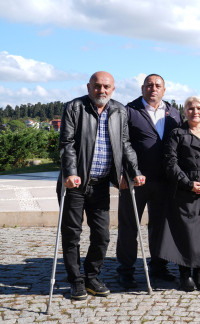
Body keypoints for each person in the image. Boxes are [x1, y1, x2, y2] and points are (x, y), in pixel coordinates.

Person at [58, 71, 145, 300]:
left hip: (100, 185)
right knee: (72, 234)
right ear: (89, 87)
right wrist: (70, 172)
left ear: (113, 89)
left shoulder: (119, 110)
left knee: (101, 235)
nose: (102, 91)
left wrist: (134, 172)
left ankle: (91, 277)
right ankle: (76, 281)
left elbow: (125, 144)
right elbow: (66, 144)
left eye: (106, 87)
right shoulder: (74, 108)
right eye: (97, 86)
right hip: (75, 183)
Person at [116, 74, 184, 288]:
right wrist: (121, 172)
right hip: (135, 179)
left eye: (158, 86)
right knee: (129, 227)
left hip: (165, 181)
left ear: (164, 90)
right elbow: (120, 143)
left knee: (161, 226)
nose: (153, 88)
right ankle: (126, 270)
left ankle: (158, 266)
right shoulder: (129, 110)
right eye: (149, 85)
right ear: (142, 88)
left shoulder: (174, 113)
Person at [156, 96, 200, 292]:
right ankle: (185, 273)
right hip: (185, 191)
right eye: (190, 108)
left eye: (199, 108)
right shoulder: (177, 135)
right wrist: (189, 184)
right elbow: (170, 163)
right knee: (186, 233)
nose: (195, 111)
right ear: (184, 111)